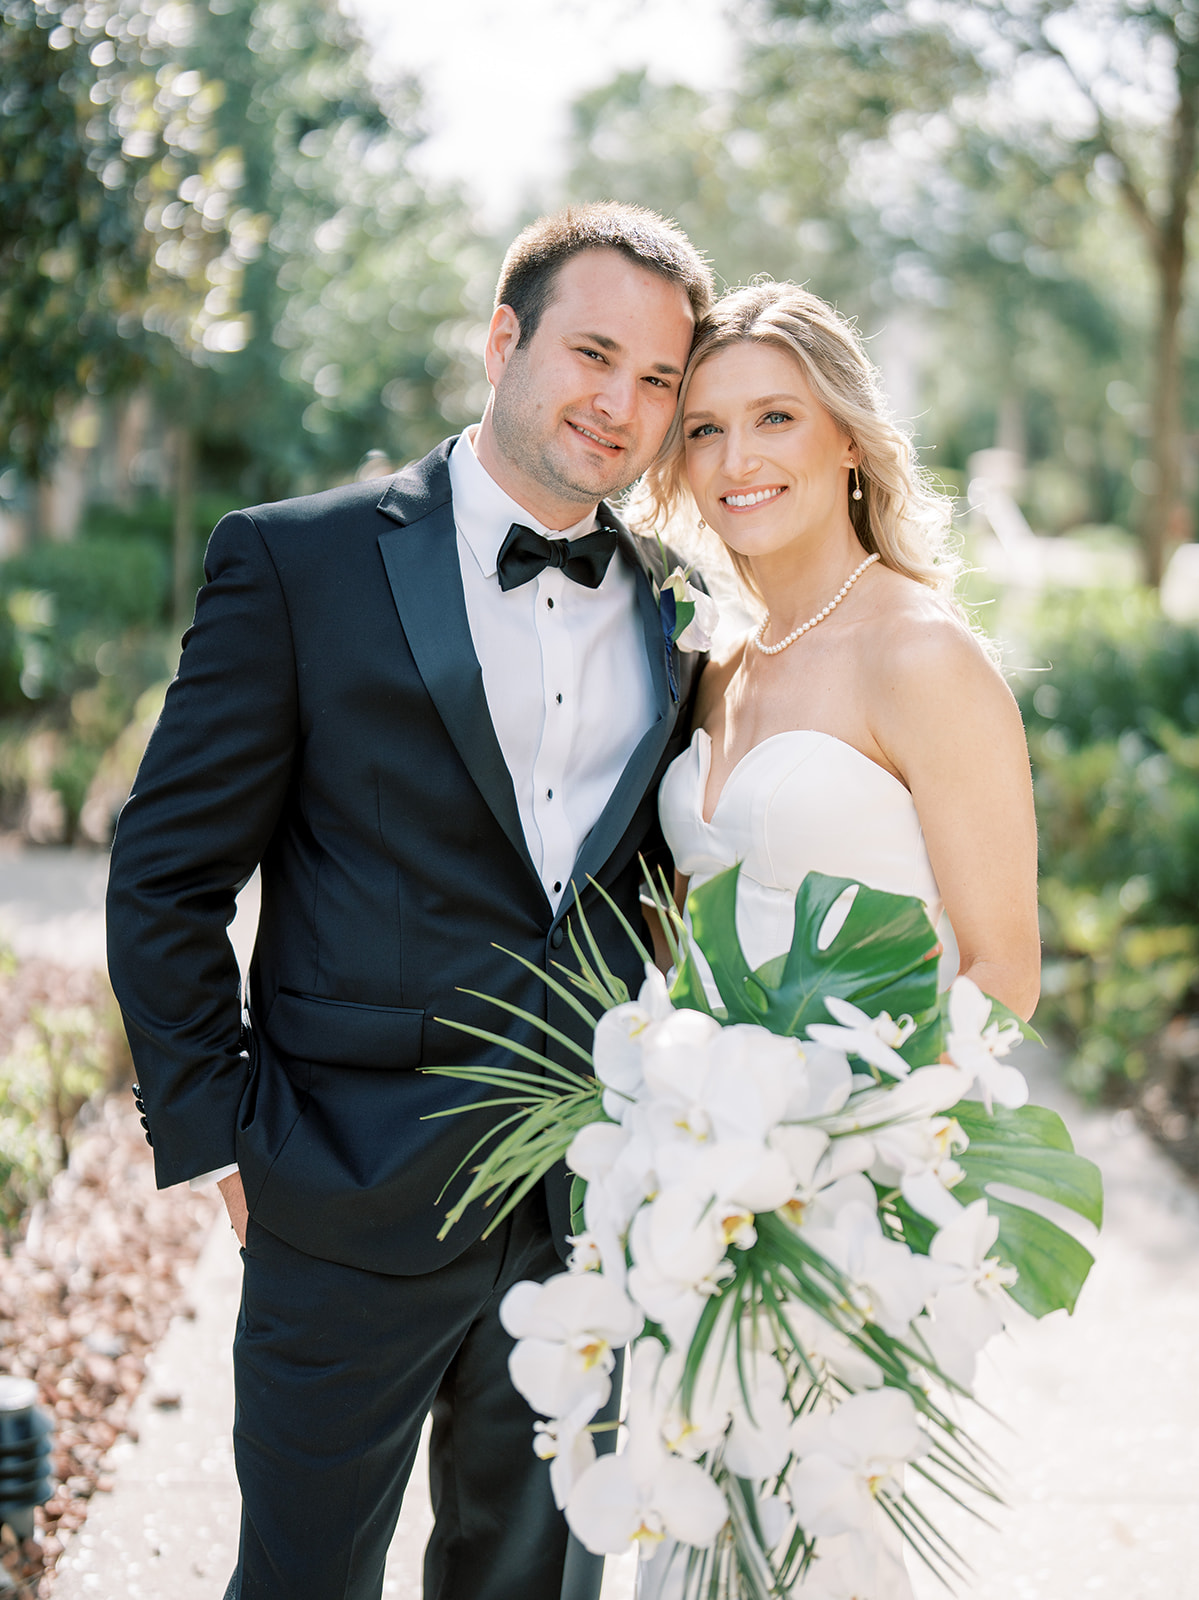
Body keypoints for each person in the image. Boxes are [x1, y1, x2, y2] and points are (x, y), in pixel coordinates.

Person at [105, 202, 713, 1600]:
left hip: (580, 1220)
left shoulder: (681, 611)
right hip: (339, 1193)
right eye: (591, 353)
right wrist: (219, 1137)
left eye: (659, 380)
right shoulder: (297, 561)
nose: (619, 405)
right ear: (503, 339)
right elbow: (167, 870)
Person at [637, 281, 1040, 1600]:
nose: (736, 461)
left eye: (773, 419)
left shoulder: (921, 654)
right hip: (692, 1203)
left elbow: (1000, 970)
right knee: (691, 1552)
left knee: (814, 1562)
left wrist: (850, 1183)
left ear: (848, 439)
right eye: (701, 431)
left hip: (844, 1224)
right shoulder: (715, 659)